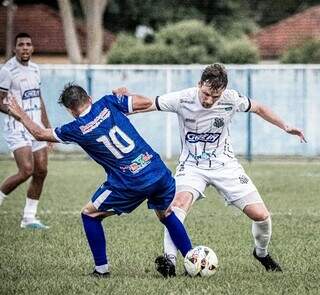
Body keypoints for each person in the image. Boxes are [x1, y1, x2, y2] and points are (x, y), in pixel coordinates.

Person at [113, 63, 307, 276]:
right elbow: (149, 104)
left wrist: (285, 126)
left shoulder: (231, 99)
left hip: (226, 166)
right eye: (205, 94)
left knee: (261, 216)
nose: (208, 100)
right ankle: (169, 261)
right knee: (176, 207)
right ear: (199, 85)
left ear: (222, 91)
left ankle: (261, 254)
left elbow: (259, 108)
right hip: (192, 167)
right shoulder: (183, 98)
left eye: (215, 97)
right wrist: (125, 98)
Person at [7, 83, 192, 277]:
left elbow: (40, 134)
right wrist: (126, 95)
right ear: (89, 99)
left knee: (89, 215)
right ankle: (192, 259)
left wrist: (20, 114)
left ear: (71, 110)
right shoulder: (108, 102)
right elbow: (146, 102)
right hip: (156, 170)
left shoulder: (75, 128)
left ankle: (101, 270)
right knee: (167, 214)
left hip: (130, 181)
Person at [0, 33, 51, 229]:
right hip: (17, 127)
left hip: (36, 127)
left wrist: (47, 129)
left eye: (28, 44)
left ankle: (29, 218)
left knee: (41, 170)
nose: (25, 48)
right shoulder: (7, 71)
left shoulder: (36, 69)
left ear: (33, 48)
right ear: (15, 49)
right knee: (26, 170)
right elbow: (0, 101)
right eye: (21, 45)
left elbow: (39, 99)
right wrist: (18, 115)